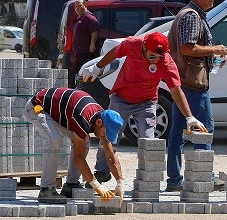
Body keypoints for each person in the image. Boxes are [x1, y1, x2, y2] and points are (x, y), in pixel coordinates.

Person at [80, 31, 208, 183]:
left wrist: (189, 117)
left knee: (148, 141)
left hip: (146, 103)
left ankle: (147, 178)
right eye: (152, 56)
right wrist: (97, 67)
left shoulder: (166, 62)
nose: (156, 60)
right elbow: (114, 53)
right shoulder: (132, 44)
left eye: (159, 57)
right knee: (108, 137)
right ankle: (102, 171)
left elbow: (175, 89)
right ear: (144, 47)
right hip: (121, 98)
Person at [164, 0, 227, 191]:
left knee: (177, 133)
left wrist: (213, 57)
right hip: (192, 83)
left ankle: (174, 180)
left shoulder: (195, 15)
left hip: (185, 81)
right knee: (204, 129)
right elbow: (187, 48)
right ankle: (204, 178)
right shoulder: (191, 16)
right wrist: (215, 49)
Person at [23, 86, 125, 204]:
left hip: (58, 112)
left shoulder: (103, 118)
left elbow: (111, 155)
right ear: (99, 123)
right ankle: (46, 190)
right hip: (37, 107)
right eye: (106, 133)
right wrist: (96, 185)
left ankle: (71, 185)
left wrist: (120, 182)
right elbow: (78, 158)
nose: (105, 137)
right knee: (54, 140)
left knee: (84, 140)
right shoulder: (83, 117)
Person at [68, 0, 101, 87]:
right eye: (76, 6)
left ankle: (73, 89)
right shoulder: (80, 18)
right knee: (78, 72)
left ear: (85, 6)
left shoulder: (89, 17)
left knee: (75, 71)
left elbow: (94, 31)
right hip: (79, 52)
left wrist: (92, 44)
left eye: (80, 6)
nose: (77, 8)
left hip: (86, 52)